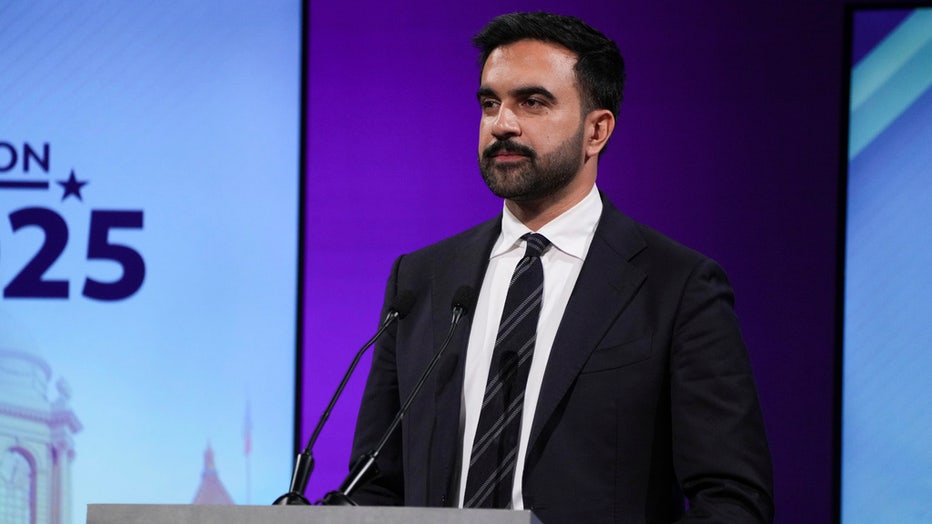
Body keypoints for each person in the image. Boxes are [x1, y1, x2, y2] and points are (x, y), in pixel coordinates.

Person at [348, 11, 774, 524]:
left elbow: (732, 499)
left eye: (532, 102)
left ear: (596, 131)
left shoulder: (677, 287)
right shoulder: (421, 280)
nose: (502, 124)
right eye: (490, 103)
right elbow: (374, 484)